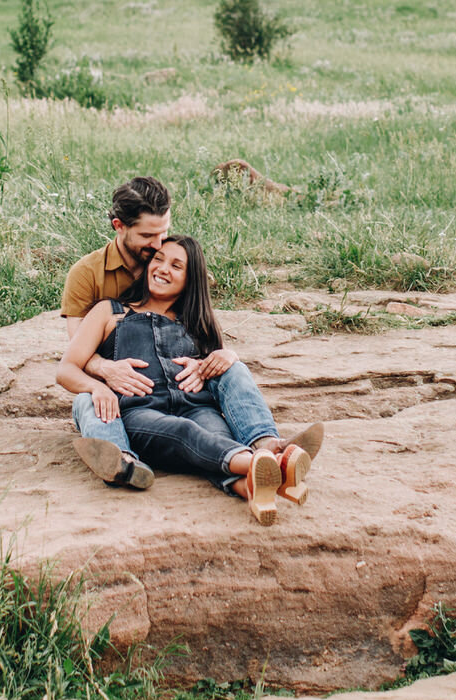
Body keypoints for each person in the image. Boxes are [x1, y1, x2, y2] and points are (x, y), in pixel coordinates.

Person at [61, 174, 319, 491]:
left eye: (164, 235)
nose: (158, 250)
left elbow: (211, 351)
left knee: (217, 415)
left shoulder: (187, 306)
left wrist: (222, 358)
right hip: (126, 398)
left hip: (188, 400)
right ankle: (122, 459)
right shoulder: (95, 286)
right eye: (151, 244)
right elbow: (74, 358)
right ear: (120, 227)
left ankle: (263, 459)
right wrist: (103, 375)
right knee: (97, 401)